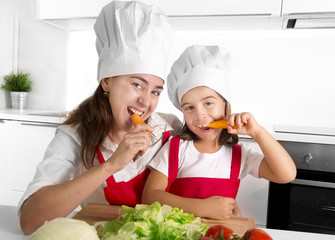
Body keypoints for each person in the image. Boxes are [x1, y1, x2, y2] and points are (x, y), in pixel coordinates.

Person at [19, 1, 181, 235]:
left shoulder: (168, 129)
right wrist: (112, 165)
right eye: (137, 84)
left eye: (155, 91)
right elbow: (30, 221)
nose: (146, 102)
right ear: (107, 81)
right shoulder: (75, 136)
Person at [142, 45, 296, 220]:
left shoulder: (240, 155)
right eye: (190, 107)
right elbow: (150, 196)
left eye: (208, 103)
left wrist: (258, 133)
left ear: (225, 104)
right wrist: (201, 208)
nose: (200, 115)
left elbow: (286, 175)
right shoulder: (176, 149)